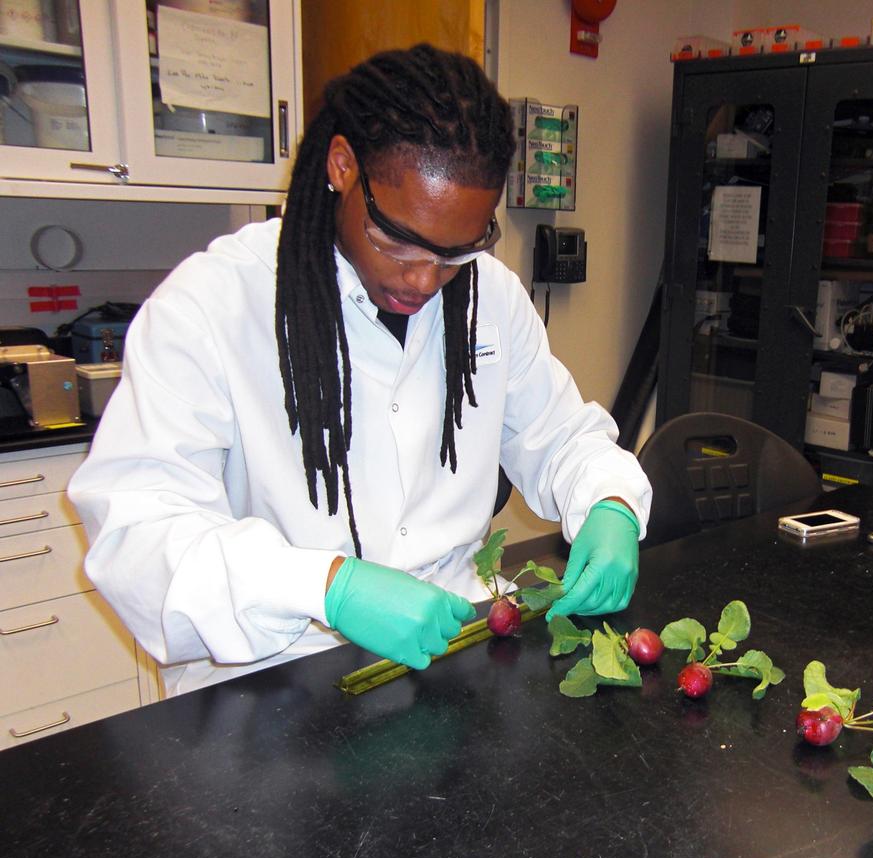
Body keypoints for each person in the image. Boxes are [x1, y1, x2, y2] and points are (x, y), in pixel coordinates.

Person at [68, 44, 652, 695]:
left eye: (456, 250)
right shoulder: (212, 305)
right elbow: (137, 536)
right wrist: (326, 586)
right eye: (397, 240)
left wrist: (609, 502)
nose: (425, 279)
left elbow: (562, 437)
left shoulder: (489, 298)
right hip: (274, 679)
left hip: (456, 660)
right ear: (343, 167)